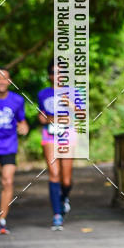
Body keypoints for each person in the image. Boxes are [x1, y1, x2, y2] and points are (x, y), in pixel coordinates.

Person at [0, 67, 29, 235]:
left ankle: (2, 220)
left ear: (9, 81)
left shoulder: (17, 100)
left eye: (5, 79)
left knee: (7, 181)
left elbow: (21, 121)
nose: (2, 82)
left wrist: (24, 127)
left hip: (9, 146)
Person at [38, 60, 79, 230]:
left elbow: (81, 114)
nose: (57, 76)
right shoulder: (43, 94)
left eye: (60, 73)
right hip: (50, 135)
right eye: (54, 73)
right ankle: (57, 215)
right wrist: (47, 118)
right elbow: (40, 116)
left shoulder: (73, 91)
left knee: (66, 179)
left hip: (67, 134)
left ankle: (64, 197)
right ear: (49, 75)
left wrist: (69, 105)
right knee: (54, 174)